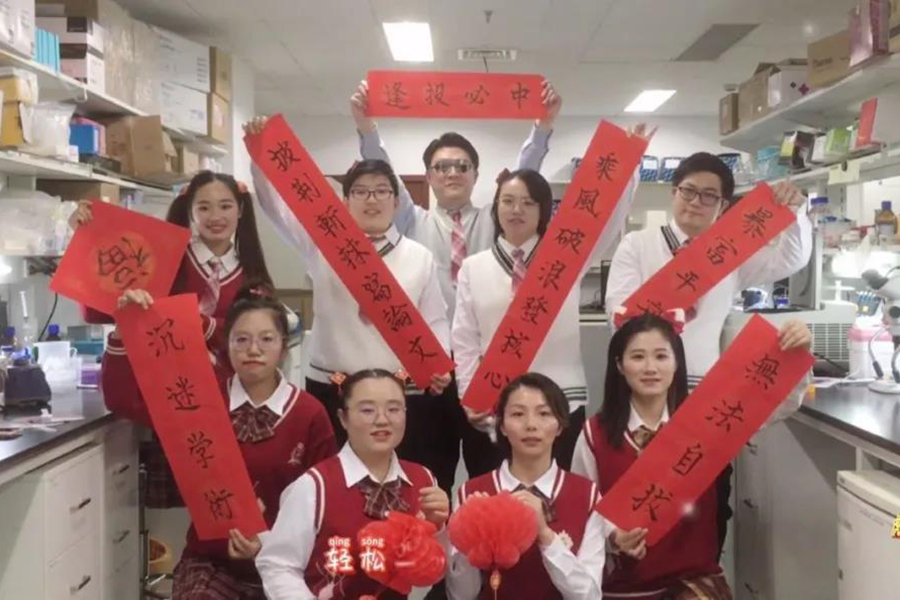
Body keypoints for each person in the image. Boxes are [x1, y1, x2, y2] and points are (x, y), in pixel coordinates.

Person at [245, 116, 454, 493]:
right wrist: (259, 155)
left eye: (381, 191)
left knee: (397, 487)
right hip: (332, 389)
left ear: (396, 201)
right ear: (346, 200)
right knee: (335, 488)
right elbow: (276, 208)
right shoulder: (322, 246)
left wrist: (439, 363)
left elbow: (436, 319)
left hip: (397, 395)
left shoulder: (419, 256)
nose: (371, 199)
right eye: (360, 191)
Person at [102, 285, 337, 599]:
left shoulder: (308, 413)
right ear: (226, 345)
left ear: (284, 347)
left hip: (289, 563)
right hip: (212, 562)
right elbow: (123, 402)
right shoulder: (201, 398)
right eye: (241, 339)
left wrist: (267, 542)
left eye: (267, 339)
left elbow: (325, 505)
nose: (253, 350)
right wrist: (123, 328)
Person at [570, 313, 811, 599]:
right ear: (619, 365)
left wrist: (796, 351)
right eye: (638, 357)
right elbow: (581, 506)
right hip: (622, 588)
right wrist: (613, 536)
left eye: (661, 356)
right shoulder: (595, 434)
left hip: (693, 582)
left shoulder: (708, 420)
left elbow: (779, 403)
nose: (650, 368)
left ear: (677, 363)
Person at [452, 159, 644, 471]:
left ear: (544, 210)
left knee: (559, 493)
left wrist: (629, 161)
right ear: (496, 208)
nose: (517, 210)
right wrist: (470, 395)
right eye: (508, 201)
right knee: (495, 495)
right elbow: (464, 339)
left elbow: (608, 220)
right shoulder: (473, 267)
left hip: (560, 401)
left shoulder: (567, 259)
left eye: (528, 203)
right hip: (496, 407)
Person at [604, 152, 813, 389]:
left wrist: (794, 212)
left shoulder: (731, 254)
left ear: (723, 205)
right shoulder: (637, 244)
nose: (695, 202)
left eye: (709, 196)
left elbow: (791, 259)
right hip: (644, 384)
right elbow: (618, 315)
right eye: (688, 191)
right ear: (674, 192)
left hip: (701, 385)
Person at [256, 369, 451, 600]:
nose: (382, 420)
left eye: (394, 409)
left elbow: (432, 575)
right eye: (367, 410)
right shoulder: (316, 485)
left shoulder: (422, 480)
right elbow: (278, 564)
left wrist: (439, 528)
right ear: (343, 418)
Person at [445, 373, 607, 600]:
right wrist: (469, 537)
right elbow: (460, 595)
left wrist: (546, 536)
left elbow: (589, 595)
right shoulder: (472, 493)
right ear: (502, 425)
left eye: (544, 414)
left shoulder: (586, 494)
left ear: (560, 426)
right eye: (518, 414)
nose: (531, 425)